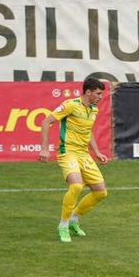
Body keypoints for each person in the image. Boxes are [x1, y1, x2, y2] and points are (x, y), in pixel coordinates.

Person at [38, 77, 110, 243]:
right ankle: (63, 225)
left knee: (100, 192)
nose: (101, 97)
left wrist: (97, 152)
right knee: (76, 185)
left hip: (83, 154)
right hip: (67, 152)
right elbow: (45, 121)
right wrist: (44, 148)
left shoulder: (93, 110)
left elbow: (88, 132)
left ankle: (74, 220)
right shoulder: (70, 105)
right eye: (98, 93)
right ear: (88, 92)